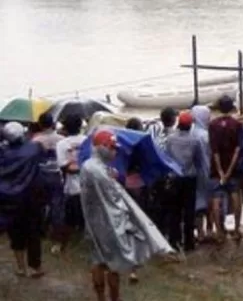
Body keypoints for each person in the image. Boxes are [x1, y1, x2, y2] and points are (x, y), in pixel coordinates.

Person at [81, 130, 173, 301]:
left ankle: (102, 297)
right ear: (102, 147)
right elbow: (115, 198)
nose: (115, 152)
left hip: (93, 219)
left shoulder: (93, 166)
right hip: (107, 222)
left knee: (98, 260)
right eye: (112, 148)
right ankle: (111, 298)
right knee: (112, 263)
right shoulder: (96, 170)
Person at [1, 122, 45, 278]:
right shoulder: (34, 148)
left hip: (8, 199)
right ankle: (35, 267)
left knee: (15, 233)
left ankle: (21, 268)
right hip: (31, 197)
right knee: (33, 233)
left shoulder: (3, 152)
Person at [164, 111, 202, 252]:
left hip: (174, 177)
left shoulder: (170, 139)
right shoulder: (195, 140)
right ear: (190, 125)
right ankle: (189, 243)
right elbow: (198, 159)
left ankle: (175, 241)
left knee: (175, 211)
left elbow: (167, 157)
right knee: (189, 211)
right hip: (189, 178)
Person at [208, 95, 243, 242]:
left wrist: (221, 171)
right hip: (233, 168)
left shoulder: (212, 125)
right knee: (235, 195)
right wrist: (229, 171)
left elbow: (214, 150)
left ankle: (219, 232)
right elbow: (237, 149)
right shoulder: (237, 124)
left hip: (217, 169)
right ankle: (236, 229)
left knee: (216, 198)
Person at [31, 113, 65, 251]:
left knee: (39, 205)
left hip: (40, 176)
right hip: (57, 175)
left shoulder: (36, 140)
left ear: (40, 124)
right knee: (57, 206)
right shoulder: (61, 139)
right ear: (53, 124)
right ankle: (57, 240)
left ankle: (40, 232)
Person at [55, 114, 87, 250]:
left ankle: (63, 245)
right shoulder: (87, 141)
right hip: (88, 185)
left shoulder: (62, 144)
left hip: (72, 187)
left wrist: (73, 166)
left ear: (65, 128)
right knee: (87, 215)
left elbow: (64, 167)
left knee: (68, 218)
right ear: (80, 127)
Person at [190, 105, 213, 243]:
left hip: (193, 172)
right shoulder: (205, 135)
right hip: (207, 171)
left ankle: (200, 231)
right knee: (208, 200)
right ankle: (209, 228)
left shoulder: (191, 133)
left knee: (197, 202)